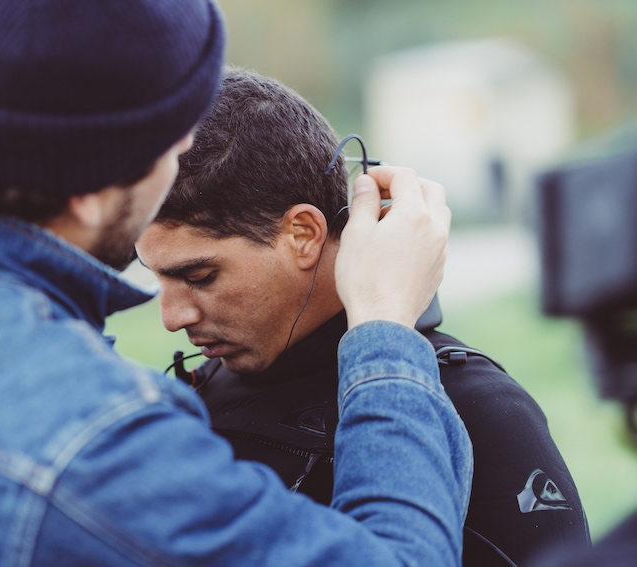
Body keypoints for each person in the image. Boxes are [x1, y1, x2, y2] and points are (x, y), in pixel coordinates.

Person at [0, 1, 472, 565]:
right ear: (89, 189)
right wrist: (383, 324)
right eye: (172, 149)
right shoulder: (91, 446)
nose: (179, 163)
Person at [135, 67, 591, 567]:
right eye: (157, 278)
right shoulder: (200, 389)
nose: (171, 317)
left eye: (200, 276)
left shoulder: (481, 410)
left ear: (303, 234)